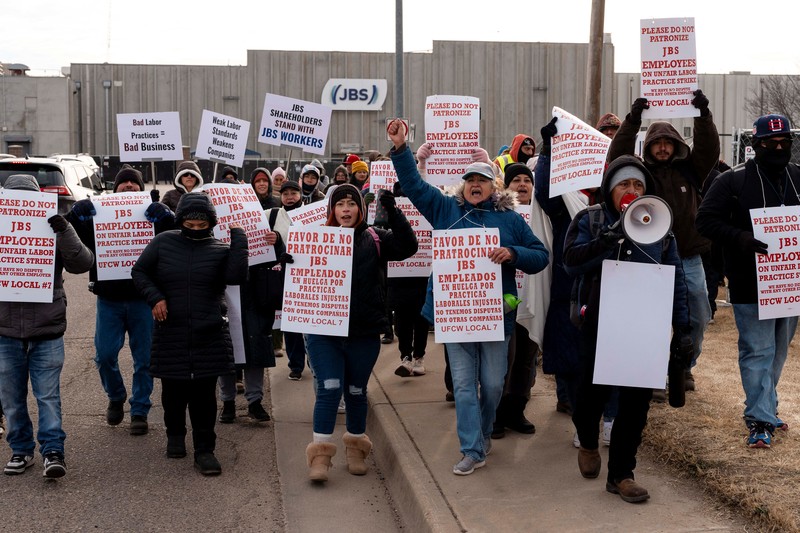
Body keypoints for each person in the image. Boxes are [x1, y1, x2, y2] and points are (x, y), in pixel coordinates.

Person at [387, 119, 549, 476]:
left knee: (492, 384)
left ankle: (485, 431)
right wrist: (401, 148)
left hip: (495, 316)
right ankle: (472, 448)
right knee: (462, 385)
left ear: (494, 186)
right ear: (464, 186)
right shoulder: (445, 210)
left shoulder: (510, 220)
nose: (476, 185)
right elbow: (413, 185)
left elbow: (541, 256)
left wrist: (513, 253)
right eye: (471, 180)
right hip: (456, 315)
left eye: (483, 180)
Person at [563, 155, 691, 503]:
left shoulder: (660, 226)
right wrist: (608, 239)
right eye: (625, 184)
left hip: (643, 328)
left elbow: (676, 278)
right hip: (599, 324)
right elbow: (571, 264)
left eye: (638, 185)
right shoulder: (589, 220)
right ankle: (589, 442)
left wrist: (683, 327)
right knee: (591, 398)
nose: (632, 191)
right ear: (610, 189)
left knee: (635, 405)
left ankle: (622, 474)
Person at [696, 114, 799, 449]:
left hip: (788, 283)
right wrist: (739, 238)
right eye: (771, 143)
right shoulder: (733, 181)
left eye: (784, 142)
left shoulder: (798, 176)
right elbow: (705, 220)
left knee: (778, 352)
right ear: (756, 146)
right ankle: (758, 419)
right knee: (757, 350)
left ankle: (768, 406)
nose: (779, 147)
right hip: (749, 283)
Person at [303, 183, 418, 482]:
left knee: (356, 391)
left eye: (351, 204)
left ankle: (356, 449)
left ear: (360, 209)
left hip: (364, 331)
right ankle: (320, 455)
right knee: (329, 388)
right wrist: (289, 259)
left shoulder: (376, 238)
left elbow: (409, 246)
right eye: (340, 204)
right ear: (332, 210)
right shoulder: (315, 239)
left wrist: (394, 212)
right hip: (323, 330)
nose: (345, 209)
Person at [608, 91, 719, 392]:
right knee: (653, 318)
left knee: (699, 314)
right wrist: (632, 120)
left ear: (677, 146)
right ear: (649, 147)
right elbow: (617, 155)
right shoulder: (641, 176)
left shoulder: (692, 172)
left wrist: (703, 115)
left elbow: (708, 148)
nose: (662, 147)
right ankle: (654, 372)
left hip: (689, 256)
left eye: (667, 142)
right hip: (651, 257)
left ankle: (682, 366)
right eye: (656, 143)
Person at [132, 192, 248, 475]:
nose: (196, 229)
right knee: (173, 390)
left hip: (208, 331)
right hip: (170, 328)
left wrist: (239, 238)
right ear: (180, 220)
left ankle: (205, 450)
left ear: (211, 223)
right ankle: (175, 436)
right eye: (190, 224)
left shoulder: (220, 249)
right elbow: (140, 272)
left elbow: (236, 276)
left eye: (202, 225)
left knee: (204, 395)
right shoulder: (163, 242)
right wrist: (155, 297)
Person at [66, 165, 175, 436]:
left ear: (140, 189)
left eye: (133, 184)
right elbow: (73, 241)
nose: (128, 187)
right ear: (114, 189)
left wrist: (166, 217)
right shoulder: (99, 215)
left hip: (142, 299)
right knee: (104, 355)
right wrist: (75, 215)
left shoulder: (152, 213)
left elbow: (174, 240)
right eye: (123, 184)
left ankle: (140, 409)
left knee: (144, 359)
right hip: (110, 299)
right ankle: (115, 396)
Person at [0, 174, 94, 478]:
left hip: (46, 328)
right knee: (11, 399)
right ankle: (21, 450)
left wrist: (65, 230)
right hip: (5, 331)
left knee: (48, 396)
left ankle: (53, 452)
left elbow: (82, 263)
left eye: (27, 201)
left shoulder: (55, 229)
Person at [218, 176, 283, 424]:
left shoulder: (260, 221)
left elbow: (275, 257)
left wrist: (276, 241)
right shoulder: (215, 224)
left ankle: (255, 402)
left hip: (256, 294)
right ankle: (228, 402)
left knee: (255, 349)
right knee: (227, 351)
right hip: (227, 294)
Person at [492, 162, 539, 438]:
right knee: (503, 360)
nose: (522, 185)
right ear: (506, 187)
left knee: (525, 358)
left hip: (531, 295)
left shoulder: (542, 215)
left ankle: (516, 410)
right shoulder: (500, 214)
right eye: (516, 180)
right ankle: (496, 413)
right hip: (504, 298)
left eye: (527, 180)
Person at [266, 180, 308, 381]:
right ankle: (296, 365)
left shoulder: (311, 214)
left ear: (300, 194)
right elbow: (252, 229)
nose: (290, 197)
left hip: (309, 278)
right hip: (284, 276)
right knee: (291, 325)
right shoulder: (272, 215)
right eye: (285, 194)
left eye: (294, 192)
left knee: (310, 324)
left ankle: (315, 362)